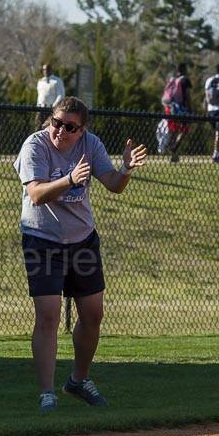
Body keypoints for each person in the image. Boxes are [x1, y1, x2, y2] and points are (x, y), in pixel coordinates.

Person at [13, 97, 147, 413]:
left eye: (70, 127)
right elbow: (36, 194)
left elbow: (114, 184)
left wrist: (126, 168)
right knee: (48, 315)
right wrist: (70, 179)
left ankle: (78, 380)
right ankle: (47, 393)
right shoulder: (35, 145)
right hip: (43, 240)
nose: (60, 130)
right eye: (56, 122)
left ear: (81, 129)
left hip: (82, 241)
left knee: (93, 314)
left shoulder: (91, 144)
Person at [161, 63, 192, 162]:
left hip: (169, 108)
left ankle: (174, 155)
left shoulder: (172, 80)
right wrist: (190, 108)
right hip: (181, 109)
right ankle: (174, 148)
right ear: (183, 69)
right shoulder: (184, 80)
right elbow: (187, 95)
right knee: (184, 130)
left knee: (174, 131)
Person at [35, 63, 65, 128]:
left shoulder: (57, 81)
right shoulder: (40, 81)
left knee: (50, 127)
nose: (45, 71)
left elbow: (61, 95)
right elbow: (39, 96)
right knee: (38, 127)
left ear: (51, 70)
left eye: (47, 69)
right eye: (44, 69)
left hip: (51, 109)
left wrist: (54, 106)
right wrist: (37, 106)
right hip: (40, 109)